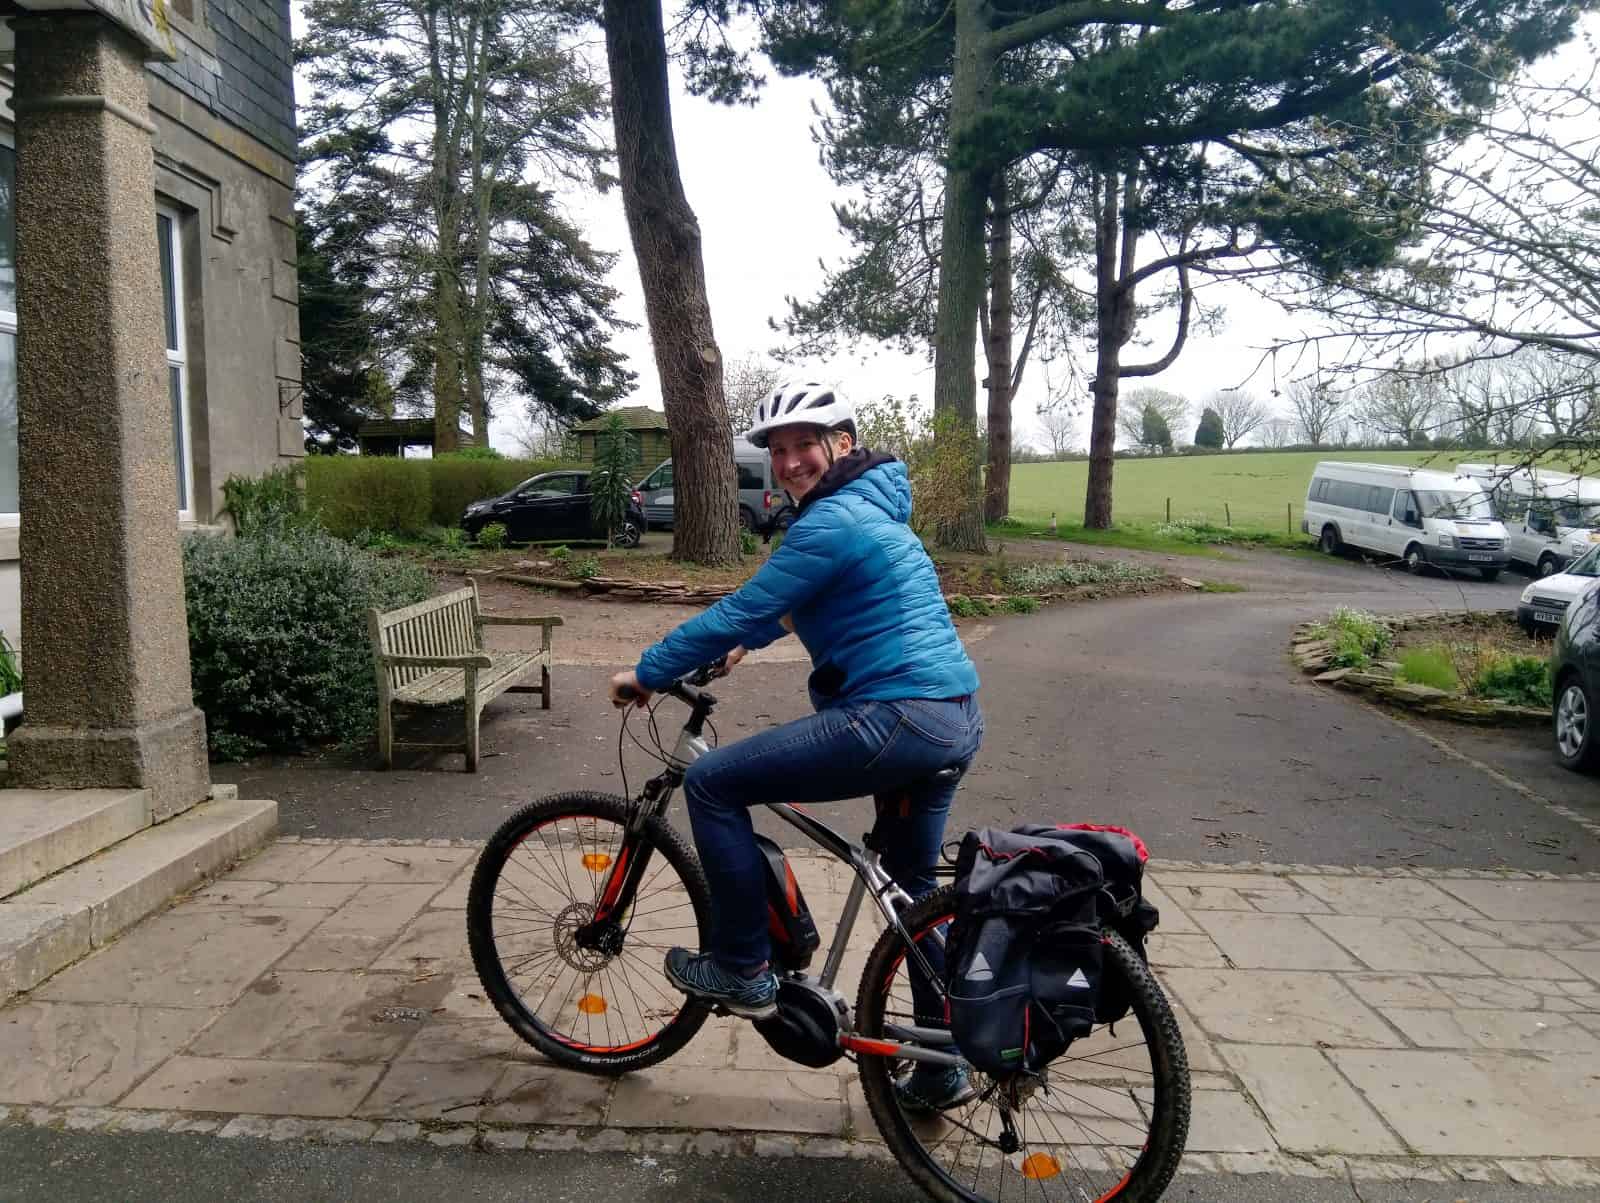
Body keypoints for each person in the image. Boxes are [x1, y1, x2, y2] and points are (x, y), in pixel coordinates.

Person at [609, 380, 983, 1111]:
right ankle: (941, 1064)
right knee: (910, 899)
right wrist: (738, 650)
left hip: (896, 716)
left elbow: (749, 603)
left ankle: (742, 966)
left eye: (802, 445)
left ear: (840, 445)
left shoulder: (829, 522)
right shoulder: (869, 508)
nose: (787, 462)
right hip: (951, 715)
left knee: (714, 782)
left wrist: (650, 670)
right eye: (777, 450)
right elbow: (791, 608)